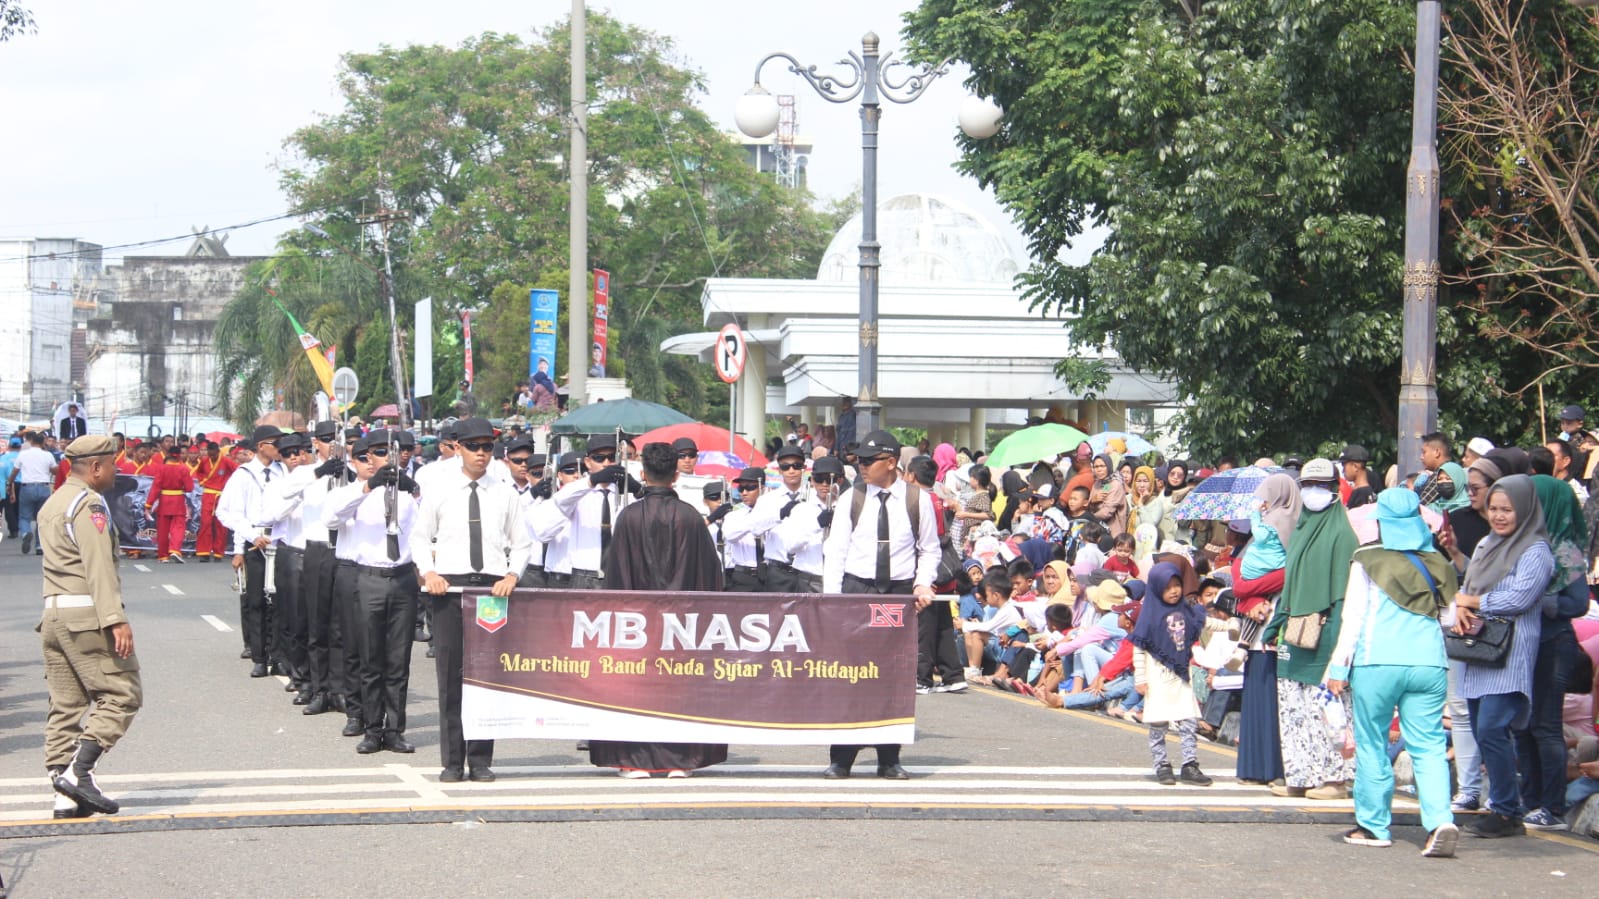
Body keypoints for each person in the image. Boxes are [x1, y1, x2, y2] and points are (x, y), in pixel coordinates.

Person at [1323, 488, 1458, 856]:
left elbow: (1353, 618)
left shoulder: (1367, 559)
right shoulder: (1438, 562)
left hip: (1376, 661)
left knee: (1372, 744)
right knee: (1429, 746)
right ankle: (1439, 821)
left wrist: (1338, 667)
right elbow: (1451, 618)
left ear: (1381, 520)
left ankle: (1374, 826)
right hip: (1429, 663)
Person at [588, 441, 728, 777]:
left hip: (635, 622)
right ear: (676, 475)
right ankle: (680, 759)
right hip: (683, 622)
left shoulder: (629, 516)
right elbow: (712, 577)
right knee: (680, 687)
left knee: (635, 687)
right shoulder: (692, 518)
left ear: (642, 473)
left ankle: (633, 759)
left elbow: (617, 574)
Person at [410, 418, 532, 782]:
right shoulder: (440, 489)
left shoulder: (504, 491)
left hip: (491, 591)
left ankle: (480, 760)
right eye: (474, 447)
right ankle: (452, 761)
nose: (481, 454)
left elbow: (522, 542)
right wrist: (429, 573)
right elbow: (419, 537)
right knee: (451, 676)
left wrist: (512, 575)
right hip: (449, 590)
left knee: (486, 678)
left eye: (487, 448)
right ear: (458, 448)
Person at [821, 430, 940, 780]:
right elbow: (836, 551)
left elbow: (929, 549)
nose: (861, 467)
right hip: (857, 590)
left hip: (899, 592)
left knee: (893, 676)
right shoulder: (851, 498)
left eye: (869, 461)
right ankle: (841, 758)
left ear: (891, 463)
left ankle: (889, 757)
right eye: (859, 460)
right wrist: (833, 600)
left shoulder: (917, 500)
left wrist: (922, 583)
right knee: (852, 675)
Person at [38, 435, 141, 819]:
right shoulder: (89, 504)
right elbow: (97, 566)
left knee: (66, 705)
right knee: (123, 693)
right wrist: (116, 619)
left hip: (53, 614)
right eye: (112, 464)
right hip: (86, 616)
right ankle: (78, 773)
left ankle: (63, 795)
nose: (116, 470)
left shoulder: (54, 502)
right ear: (95, 468)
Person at [1452, 474, 1554, 838]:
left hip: (1509, 653)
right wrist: (1461, 609)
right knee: (1484, 731)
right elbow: (1466, 586)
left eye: (1507, 510)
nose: (1499, 516)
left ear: (1524, 510)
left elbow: (1519, 598)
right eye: (1494, 508)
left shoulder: (1536, 551)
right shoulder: (1485, 544)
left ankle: (1506, 810)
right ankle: (1502, 805)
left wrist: (1474, 603)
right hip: (1479, 649)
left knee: (1492, 728)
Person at [1264, 458, 1357, 800]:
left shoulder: (1342, 535)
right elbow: (1291, 583)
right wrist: (1275, 625)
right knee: (1294, 707)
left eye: (1322, 486)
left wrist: (1337, 648)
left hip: (1325, 632)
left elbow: (1345, 596)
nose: (1315, 492)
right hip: (1294, 630)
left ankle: (1334, 779)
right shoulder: (1302, 527)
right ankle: (1300, 775)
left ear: (1334, 490)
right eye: (1308, 486)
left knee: (1327, 708)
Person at [324, 433, 421, 755]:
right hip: (369, 577)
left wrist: (414, 491)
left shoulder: (410, 491)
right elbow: (332, 518)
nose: (388, 459)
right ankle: (371, 727)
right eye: (379, 453)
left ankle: (394, 729)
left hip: (403, 577)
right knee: (370, 659)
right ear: (368, 459)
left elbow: (427, 529)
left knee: (398, 660)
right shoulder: (354, 492)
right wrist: (368, 487)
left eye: (395, 452)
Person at [1516, 476, 1592, 830]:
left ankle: (1552, 806)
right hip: (1524, 644)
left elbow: (1577, 603)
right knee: (1522, 724)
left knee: (1545, 726)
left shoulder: (1565, 550)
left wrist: (1546, 601)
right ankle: (1529, 800)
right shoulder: (1521, 543)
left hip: (1553, 644)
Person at [1131, 561, 1213, 786]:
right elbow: (1139, 648)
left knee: (1188, 721)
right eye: (1167, 587)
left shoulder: (1186, 612)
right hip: (1157, 678)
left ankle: (1190, 764)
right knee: (1158, 724)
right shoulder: (1148, 617)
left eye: (1177, 585)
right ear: (1157, 589)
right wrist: (1140, 678)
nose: (1174, 591)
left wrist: (1232, 627)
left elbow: (1206, 625)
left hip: (1181, 676)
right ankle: (1162, 765)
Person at [216, 425, 286, 677]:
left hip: (279, 539)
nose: (279, 447)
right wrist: (249, 538)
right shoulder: (243, 475)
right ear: (260, 446)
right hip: (254, 541)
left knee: (280, 601)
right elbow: (228, 512)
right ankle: (259, 655)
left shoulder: (284, 472)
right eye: (274, 443)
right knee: (256, 601)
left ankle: (278, 655)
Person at [550, 433, 637, 591]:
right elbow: (559, 500)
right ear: (588, 462)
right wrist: (592, 480)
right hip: (584, 577)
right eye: (599, 458)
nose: (606, 463)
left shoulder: (626, 493)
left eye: (611, 458)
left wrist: (638, 490)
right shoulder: (579, 491)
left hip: (618, 574)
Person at [144, 442, 196, 563]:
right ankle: (175, 550)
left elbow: (155, 487)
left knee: (162, 529)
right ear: (179, 456)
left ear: (168, 455)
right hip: (178, 501)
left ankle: (163, 556)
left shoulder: (161, 468)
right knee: (178, 527)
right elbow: (189, 488)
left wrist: (148, 505)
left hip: (164, 501)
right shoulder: (183, 469)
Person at [717, 467, 766, 591]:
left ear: (762, 488)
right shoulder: (734, 515)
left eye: (750, 488)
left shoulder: (772, 514)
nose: (744, 492)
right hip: (744, 575)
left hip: (769, 575)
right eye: (741, 488)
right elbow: (730, 536)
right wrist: (756, 519)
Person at [11, 431, 56, 556]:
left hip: (27, 487)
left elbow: (15, 472)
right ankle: (39, 546)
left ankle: (26, 533)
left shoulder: (23, 454)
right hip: (43, 487)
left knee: (24, 516)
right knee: (41, 518)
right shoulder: (48, 455)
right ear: (43, 443)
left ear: (31, 442)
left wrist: (9, 484)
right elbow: (55, 470)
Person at [1087, 453, 1127, 537]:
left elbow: (1107, 512)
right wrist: (1093, 501)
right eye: (1096, 467)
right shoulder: (1098, 484)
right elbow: (1092, 505)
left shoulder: (1116, 484)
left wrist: (1090, 517)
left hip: (1113, 532)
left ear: (1108, 466)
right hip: (1098, 531)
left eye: (1102, 466)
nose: (1099, 469)